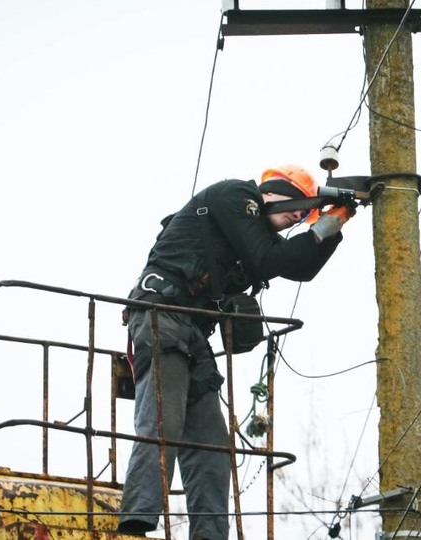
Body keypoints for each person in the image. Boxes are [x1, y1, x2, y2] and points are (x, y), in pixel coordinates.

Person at [117, 165, 351, 539]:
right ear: (274, 191)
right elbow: (269, 262)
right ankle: (138, 514)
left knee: (212, 446)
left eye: (305, 214)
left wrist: (332, 224)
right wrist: (322, 218)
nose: (299, 216)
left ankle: (210, 535)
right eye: (298, 206)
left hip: (192, 332)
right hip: (161, 315)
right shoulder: (235, 197)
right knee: (164, 418)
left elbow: (298, 267)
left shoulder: (258, 237)